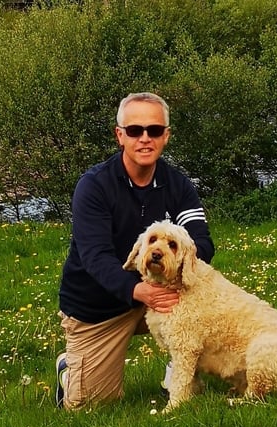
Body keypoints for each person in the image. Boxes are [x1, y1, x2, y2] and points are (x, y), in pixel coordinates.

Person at [56, 92, 215, 409]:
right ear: (120, 135)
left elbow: (202, 244)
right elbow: (95, 257)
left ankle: (180, 373)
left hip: (160, 291)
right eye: (135, 131)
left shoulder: (178, 185)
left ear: (166, 136)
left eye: (154, 130)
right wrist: (137, 289)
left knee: (212, 297)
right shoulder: (94, 186)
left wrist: (172, 267)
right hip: (99, 306)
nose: (145, 138)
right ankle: (68, 369)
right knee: (92, 405)